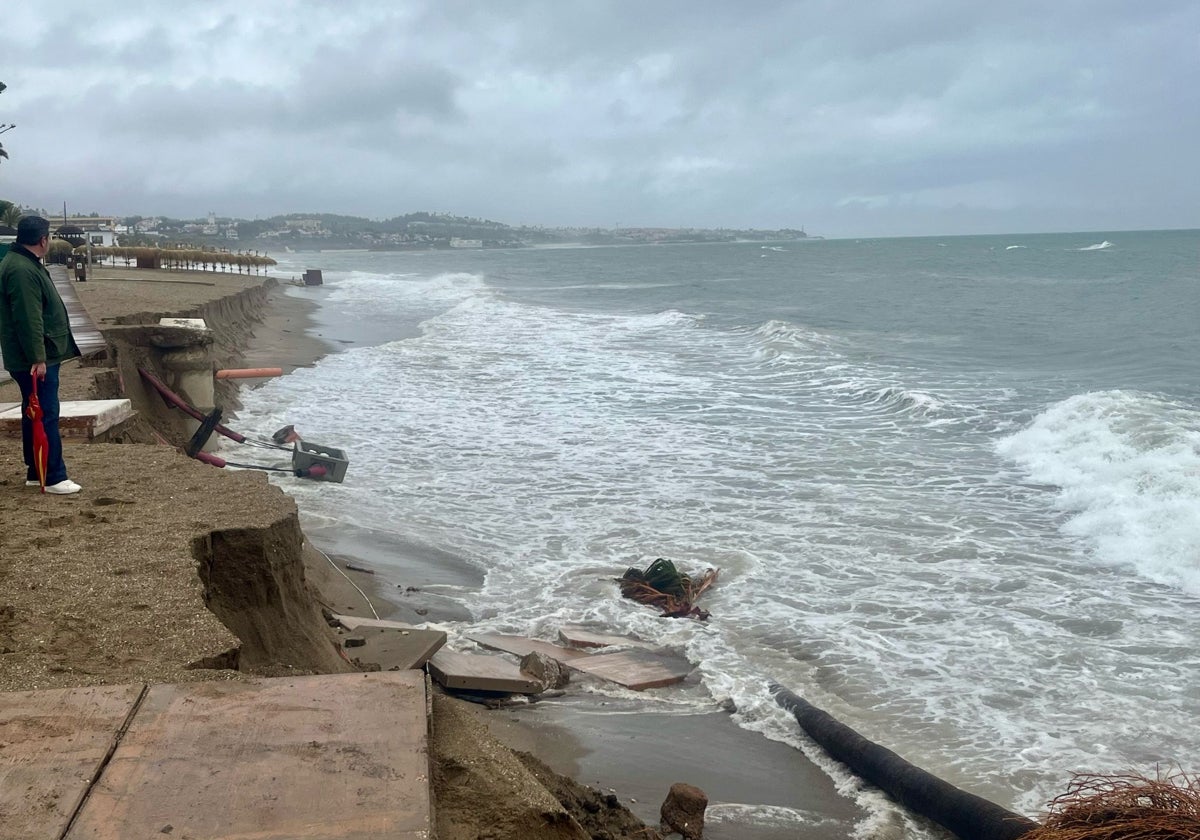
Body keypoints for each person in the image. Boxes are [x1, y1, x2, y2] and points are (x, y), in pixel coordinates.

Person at [0, 215, 82, 494]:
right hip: (34, 357)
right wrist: (38, 357)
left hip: (34, 354)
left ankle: (37, 471)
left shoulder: (23, 263)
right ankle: (55, 476)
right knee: (45, 413)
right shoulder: (22, 269)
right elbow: (28, 318)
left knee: (34, 413)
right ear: (43, 240)